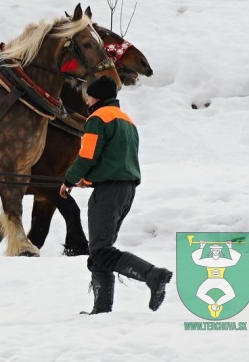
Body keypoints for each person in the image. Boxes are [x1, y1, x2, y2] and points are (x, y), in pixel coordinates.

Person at [59, 75, 172, 314]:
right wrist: (87, 179)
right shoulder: (126, 120)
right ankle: (101, 310)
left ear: (96, 97)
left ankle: (153, 275)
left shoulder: (97, 118)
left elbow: (88, 155)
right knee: (101, 249)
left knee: (100, 250)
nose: (87, 100)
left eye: (89, 95)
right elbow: (115, 158)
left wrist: (69, 179)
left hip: (109, 191)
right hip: (126, 189)